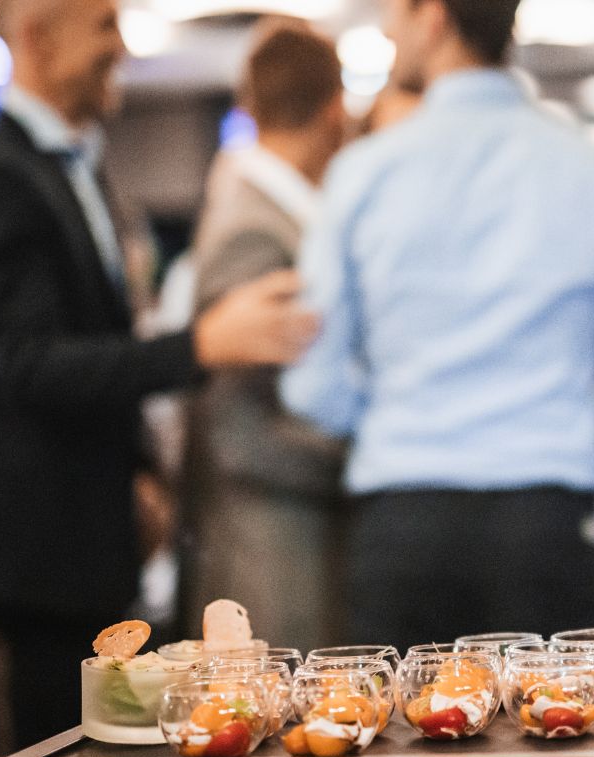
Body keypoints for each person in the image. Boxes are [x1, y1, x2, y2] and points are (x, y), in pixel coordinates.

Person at [0, 0, 315, 757]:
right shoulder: (0, 182)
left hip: (84, 537)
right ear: (39, 36)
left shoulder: (71, 166)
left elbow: (88, 347)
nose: (123, 47)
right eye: (106, 27)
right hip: (32, 556)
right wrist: (202, 345)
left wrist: (139, 471)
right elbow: (28, 361)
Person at [281, 0, 594, 651]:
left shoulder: (362, 174)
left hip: (403, 522)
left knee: (400, 745)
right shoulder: (593, 168)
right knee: (575, 745)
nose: (390, 31)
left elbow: (311, 382)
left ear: (434, 18)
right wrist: (578, 417)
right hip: (548, 518)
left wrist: (388, 419)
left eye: (396, 11)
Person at [182, 22, 347, 653]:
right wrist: (360, 459)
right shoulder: (256, 229)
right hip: (273, 546)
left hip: (284, 529)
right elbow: (238, 431)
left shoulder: (276, 215)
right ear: (336, 112)